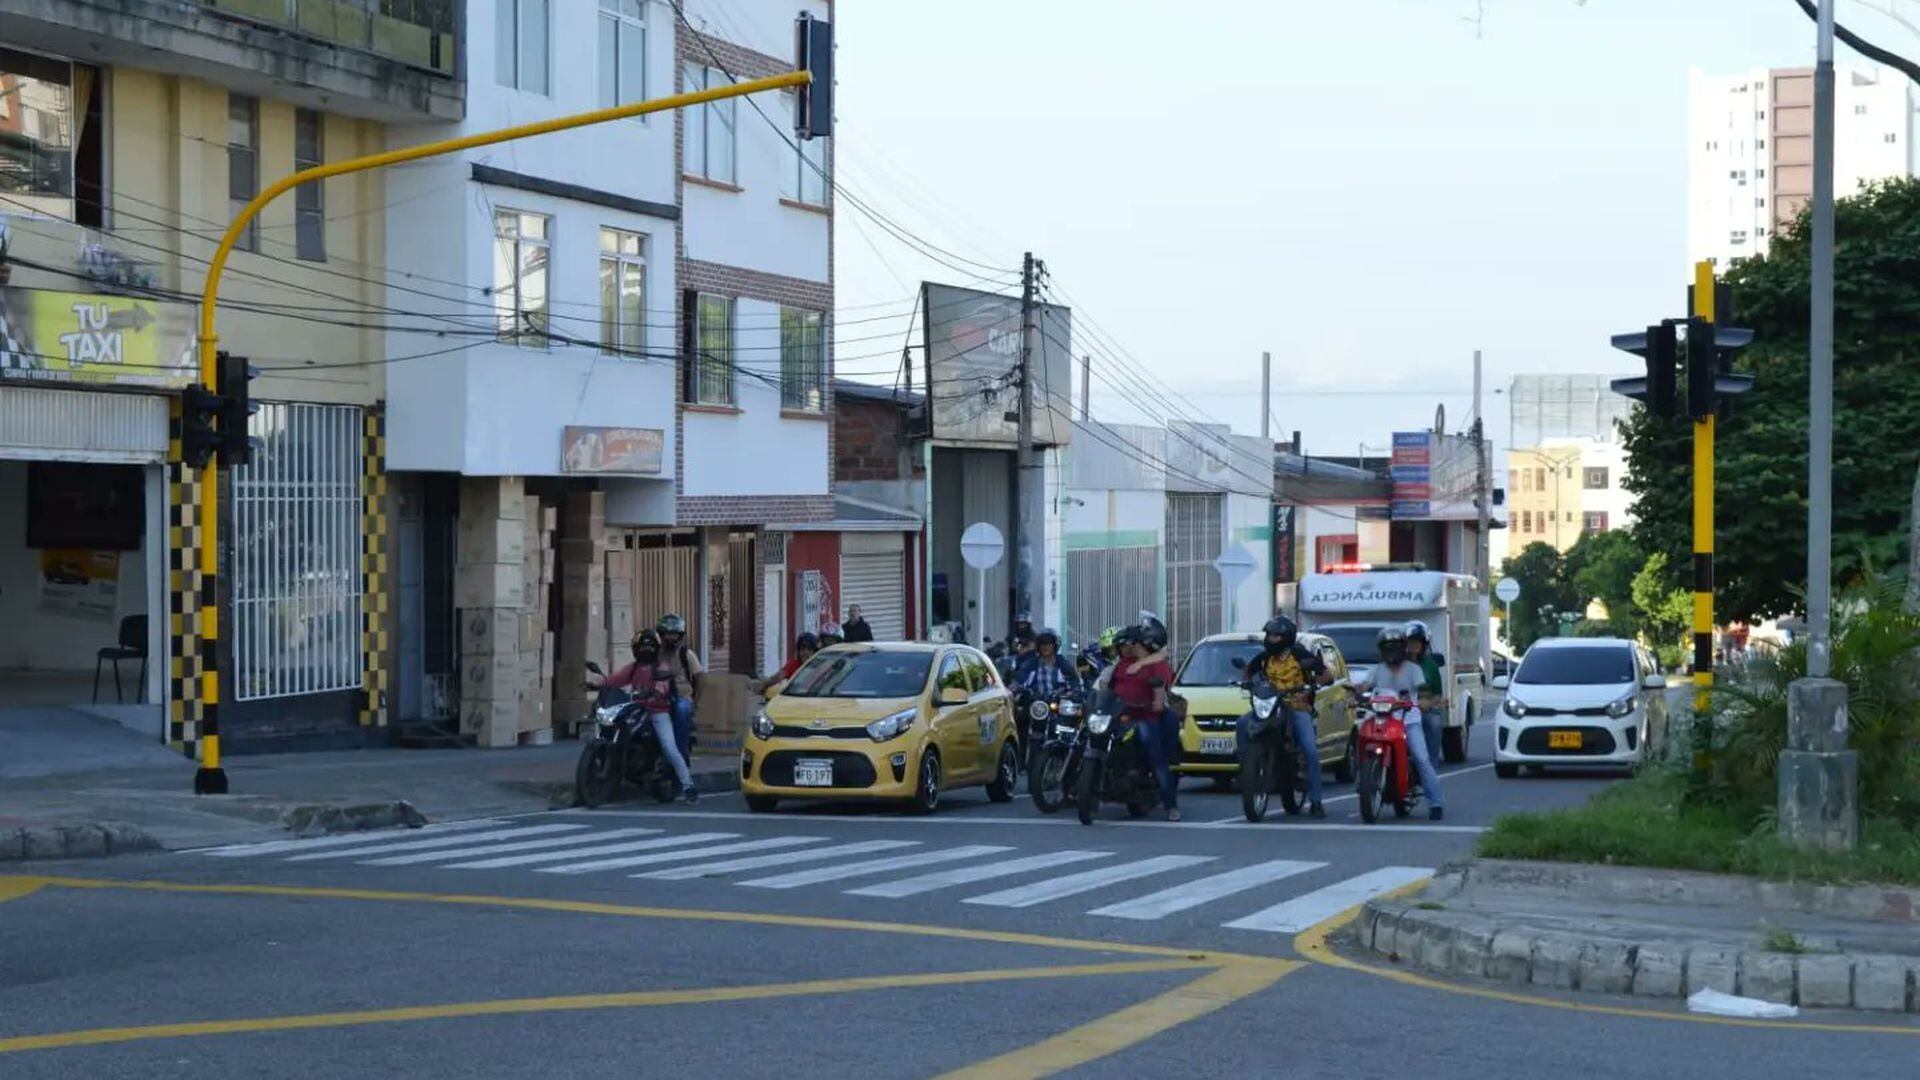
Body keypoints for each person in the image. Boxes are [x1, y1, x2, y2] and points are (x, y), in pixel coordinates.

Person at [1238, 614, 1331, 818]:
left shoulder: (1299, 655)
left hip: (1296, 706)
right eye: (1269, 635)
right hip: (1269, 705)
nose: (1270, 639)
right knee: (1242, 723)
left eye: (1275, 636)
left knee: (1310, 749)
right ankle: (1246, 767)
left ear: (1287, 637)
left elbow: (1326, 674)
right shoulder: (1264, 657)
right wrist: (1247, 681)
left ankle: (1316, 801)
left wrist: (1315, 683)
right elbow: (1247, 672)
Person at [590, 630, 697, 803]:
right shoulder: (634, 667)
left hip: (658, 711)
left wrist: (653, 692)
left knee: (669, 747)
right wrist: (595, 684)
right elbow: (615, 679)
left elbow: (662, 687)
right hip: (637, 707)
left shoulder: (661, 667)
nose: (645, 650)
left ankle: (688, 786)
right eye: (642, 647)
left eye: (649, 647)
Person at [1355, 623, 1445, 821]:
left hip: (1408, 718)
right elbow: (1364, 686)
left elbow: (1424, 690)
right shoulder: (1378, 670)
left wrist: (1422, 701)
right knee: (1360, 734)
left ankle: (1436, 802)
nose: (1391, 652)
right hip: (1381, 717)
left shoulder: (1413, 669)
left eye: (1395, 647)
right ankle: (1363, 778)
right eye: (1387, 648)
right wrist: (1355, 692)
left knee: (1422, 758)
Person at [1108, 625, 1180, 820]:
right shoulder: (1122, 665)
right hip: (1119, 717)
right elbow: (1110, 688)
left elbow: (1159, 696)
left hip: (1145, 717)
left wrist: (1152, 704)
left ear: (1134, 644)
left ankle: (1171, 806)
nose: (1120, 649)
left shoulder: (1156, 664)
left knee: (1157, 760)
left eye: (1123, 645)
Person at [655, 613, 704, 766]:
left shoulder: (686, 654)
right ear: (661, 635)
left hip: (681, 698)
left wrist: (695, 702)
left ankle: (681, 756)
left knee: (682, 709)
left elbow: (700, 679)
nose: (670, 637)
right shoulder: (654, 654)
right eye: (667, 634)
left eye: (674, 634)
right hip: (658, 698)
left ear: (680, 635)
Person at [1405, 621, 1448, 765]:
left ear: (1424, 645)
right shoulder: (1396, 664)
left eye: (1418, 642)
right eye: (1411, 642)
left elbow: (1437, 694)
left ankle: (1430, 763)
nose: (1415, 645)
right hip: (1399, 710)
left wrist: (1428, 703)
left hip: (1423, 709)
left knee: (1434, 723)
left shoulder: (1430, 666)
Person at [1014, 628, 1079, 696]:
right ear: (1038, 646)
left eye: (1049, 643)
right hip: (1035, 704)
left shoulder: (1064, 665)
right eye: (1042, 643)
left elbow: (1074, 684)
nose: (1045, 646)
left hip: (1059, 704)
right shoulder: (1030, 665)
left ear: (1055, 645)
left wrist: (1070, 693)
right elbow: (1018, 683)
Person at [753, 632, 820, 695]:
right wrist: (763, 685)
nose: (805, 653)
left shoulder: (822, 666)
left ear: (814, 651)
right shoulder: (793, 665)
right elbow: (777, 677)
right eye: (802, 649)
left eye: (809, 650)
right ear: (798, 651)